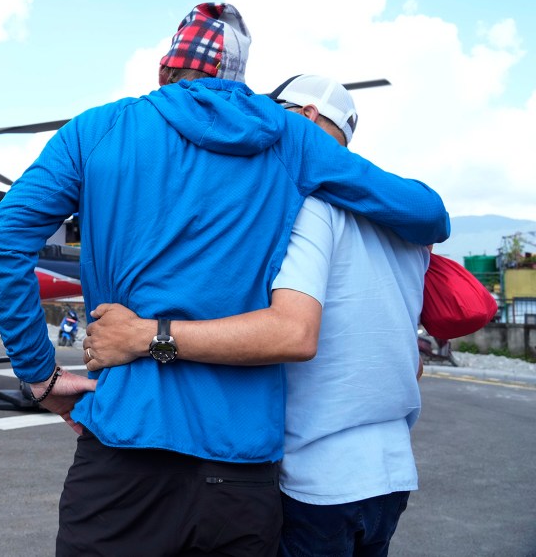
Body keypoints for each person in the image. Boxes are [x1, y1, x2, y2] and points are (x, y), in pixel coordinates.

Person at [0, 2, 450, 556]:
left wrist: (42, 377)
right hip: (242, 471)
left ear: (164, 69)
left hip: (123, 450)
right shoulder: (289, 139)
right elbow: (428, 215)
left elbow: (1, 241)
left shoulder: (96, 131)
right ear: (238, 82)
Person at [83, 75, 428, 556]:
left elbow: (292, 331)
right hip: (390, 472)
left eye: (273, 111)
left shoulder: (308, 206)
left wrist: (146, 335)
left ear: (305, 118)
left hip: (319, 476)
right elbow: (411, 358)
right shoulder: (408, 229)